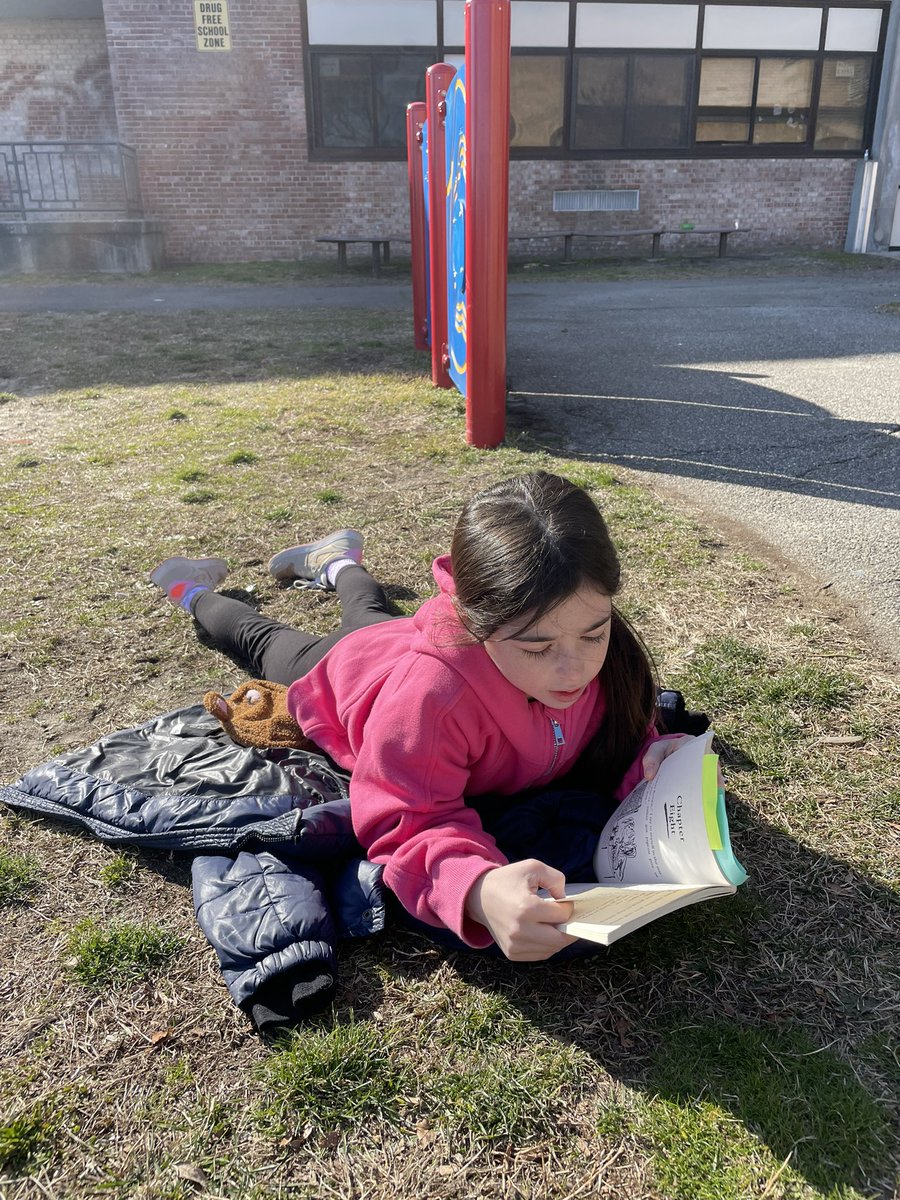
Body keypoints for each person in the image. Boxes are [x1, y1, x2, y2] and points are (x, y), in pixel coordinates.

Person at [149, 471, 688, 962]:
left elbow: (615, 729)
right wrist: (475, 889)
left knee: (369, 609)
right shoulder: (432, 699)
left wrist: (647, 756)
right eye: (536, 646)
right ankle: (189, 588)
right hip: (351, 669)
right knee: (262, 640)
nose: (575, 669)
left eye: (595, 633)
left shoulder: (582, 635)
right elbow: (405, 816)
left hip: (393, 638)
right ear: (477, 620)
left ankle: (338, 561)